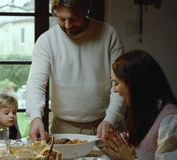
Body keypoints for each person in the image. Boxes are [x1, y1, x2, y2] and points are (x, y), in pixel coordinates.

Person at [26, 0, 125, 141]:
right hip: (63, 127)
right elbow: (36, 84)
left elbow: (122, 83)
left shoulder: (109, 34)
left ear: (85, 12)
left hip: (106, 125)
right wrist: (35, 116)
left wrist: (111, 119)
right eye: (61, 19)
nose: (67, 25)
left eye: (73, 18)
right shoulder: (46, 41)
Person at [103, 50, 177, 160]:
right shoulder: (143, 109)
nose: (114, 90)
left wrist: (130, 158)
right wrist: (113, 142)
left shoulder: (170, 120)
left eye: (116, 83)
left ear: (134, 84)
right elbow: (134, 147)